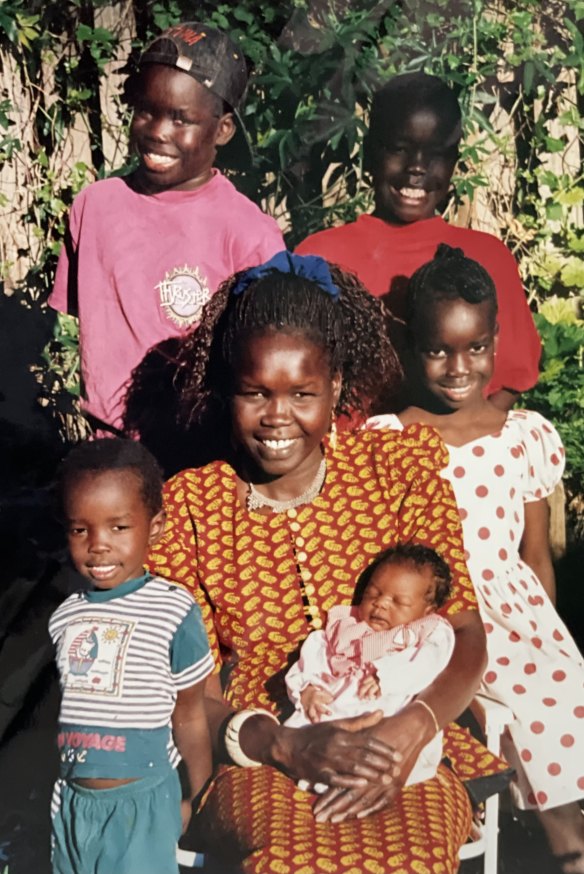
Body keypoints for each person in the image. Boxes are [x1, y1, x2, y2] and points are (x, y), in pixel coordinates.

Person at [147, 250, 508, 873]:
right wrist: (284, 741)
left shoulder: (398, 472)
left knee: (409, 856)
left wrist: (411, 728)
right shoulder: (190, 509)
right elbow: (190, 693)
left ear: (336, 385)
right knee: (290, 858)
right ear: (226, 389)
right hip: (258, 754)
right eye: (254, 392)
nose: (276, 417)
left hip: (406, 747)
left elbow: (467, 632)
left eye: (302, 393)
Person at [367, 244, 584, 874]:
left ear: (495, 339)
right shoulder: (391, 437)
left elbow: (535, 556)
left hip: (516, 615)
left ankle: (566, 850)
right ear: (414, 347)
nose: (459, 367)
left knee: (562, 690)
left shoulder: (524, 435)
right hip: (432, 617)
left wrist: (551, 635)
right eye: (439, 350)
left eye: (476, 348)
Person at [48, 21, 284, 434]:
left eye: (181, 119)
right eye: (146, 111)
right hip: (107, 443)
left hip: (201, 448)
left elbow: (268, 360)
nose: (158, 132)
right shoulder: (94, 207)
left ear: (222, 129)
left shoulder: (250, 234)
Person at [296, 71, 541, 412]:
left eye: (435, 153)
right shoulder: (318, 257)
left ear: (454, 162)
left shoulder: (489, 257)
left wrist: (458, 445)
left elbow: (512, 378)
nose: (416, 167)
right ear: (370, 154)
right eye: (400, 149)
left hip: (460, 456)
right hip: (352, 457)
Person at [49, 438, 214, 874]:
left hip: (141, 806)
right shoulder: (64, 616)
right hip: (71, 803)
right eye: (80, 529)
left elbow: (190, 715)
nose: (98, 545)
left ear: (154, 528)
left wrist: (199, 798)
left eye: (118, 527)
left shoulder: (174, 608)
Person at [285, 543, 455, 791]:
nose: (381, 604)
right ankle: (317, 772)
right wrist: (307, 688)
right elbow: (317, 653)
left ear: (426, 610)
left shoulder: (428, 631)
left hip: (389, 709)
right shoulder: (349, 626)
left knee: (379, 747)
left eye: (399, 601)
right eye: (373, 594)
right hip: (337, 704)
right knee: (307, 730)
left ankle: (350, 779)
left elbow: (430, 663)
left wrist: (385, 677)